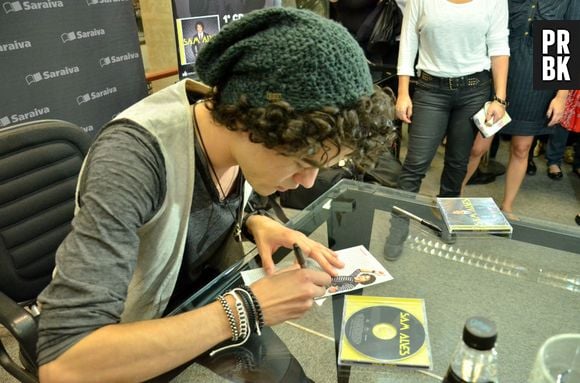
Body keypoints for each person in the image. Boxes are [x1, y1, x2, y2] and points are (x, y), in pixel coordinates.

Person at [36, 8, 394, 383]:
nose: (307, 182)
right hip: (135, 341)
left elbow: (206, 201)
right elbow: (65, 364)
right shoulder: (131, 160)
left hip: (207, 295)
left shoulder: (234, 135)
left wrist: (256, 221)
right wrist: (247, 309)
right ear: (248, 121)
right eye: (302, 161)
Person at [462, 0, 580, 212]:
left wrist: (561, 96)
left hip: (542, 69)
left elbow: (570, 40)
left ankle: (507, 207)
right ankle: (453, 197)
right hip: (500, 64)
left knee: (522, 147)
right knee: (477, 146)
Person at [396, 0, 510, 197]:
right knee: (415, 163)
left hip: (474, 91)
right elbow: (408, 42)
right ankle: (398, 228)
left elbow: (499, 47)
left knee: (457, 164)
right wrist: (403, 93)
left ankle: (446, 223)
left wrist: (499, 99)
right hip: (430, 89)